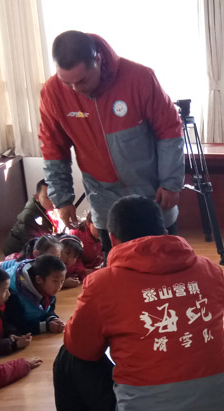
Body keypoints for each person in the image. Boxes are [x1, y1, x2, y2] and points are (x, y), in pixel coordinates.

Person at [54, 195, 224, 411]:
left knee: (68, 360)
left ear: (112, 238)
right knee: (194, 355)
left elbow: (81, 348)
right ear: (164, 229)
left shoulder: (102, 284)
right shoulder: (207, 269)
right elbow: (223, 301)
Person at [39, 31, 184, 254]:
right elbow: (53, 148)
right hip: (104, 197)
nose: (76, 89)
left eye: (82, 80)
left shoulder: (139, 78)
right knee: (118, 268)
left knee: (164, 262)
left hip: (153, 193)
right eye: (67, 83)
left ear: (97, 60)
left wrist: (171, 182)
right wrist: (62, 199)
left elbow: (169, 130)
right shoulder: (52, 92)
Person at [2, 254, 66, 335]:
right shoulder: (13, 295)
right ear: (39, 279)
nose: (59, 286)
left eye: (62, 281)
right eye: (55, 281)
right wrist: (46, 326)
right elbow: (17, 325)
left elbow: (48, 310)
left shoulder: (49, 289)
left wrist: (52, 319)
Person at [2, 179, 57, 256]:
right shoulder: (29, 217)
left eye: (55, 195)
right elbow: (34, 245)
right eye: (47, 197)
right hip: (16, 252)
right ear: (37, 197)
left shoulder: (49, 208)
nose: (53, 201)